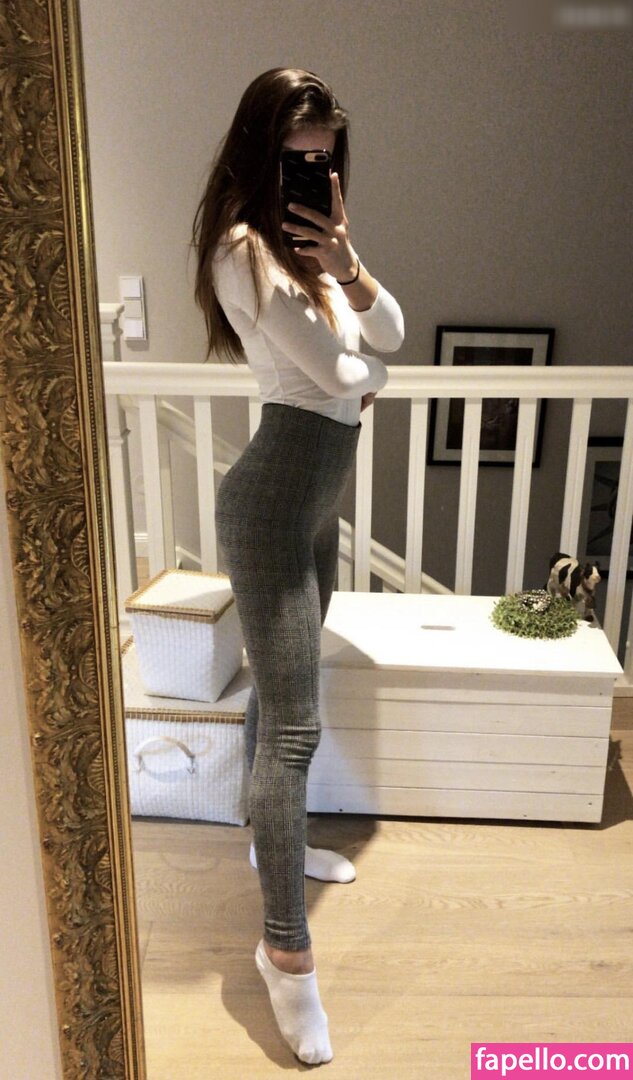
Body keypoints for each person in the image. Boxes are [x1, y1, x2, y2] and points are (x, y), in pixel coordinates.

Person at [192, 67, 404, 1066]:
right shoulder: (242, 246)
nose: (311, 171)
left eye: (323, 157)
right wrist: (372, 375)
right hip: (274, 499)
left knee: (279, 697)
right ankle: (285, 950)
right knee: (294, 726)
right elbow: (339, 373)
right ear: (258, 151)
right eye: (294, 157)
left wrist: (348, 261)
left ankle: (265, 840)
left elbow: (386, 334)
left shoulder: (310, 253)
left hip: (314, 499)